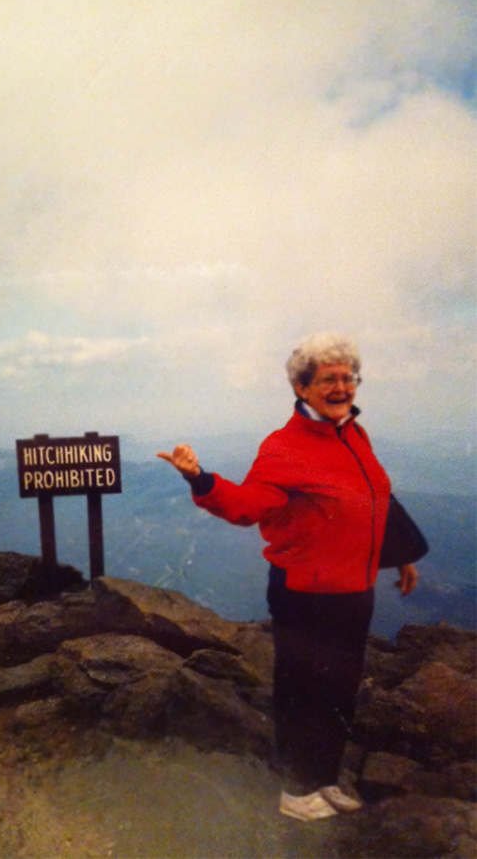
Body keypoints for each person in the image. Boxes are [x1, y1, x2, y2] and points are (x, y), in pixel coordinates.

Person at [158, 332, 427, 822]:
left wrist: (401, 555)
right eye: (329, 378)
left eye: (348, 377)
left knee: (340, 692)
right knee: (303, 692)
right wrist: (200, 479)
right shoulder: (285, 447)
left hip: (353, 591)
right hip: (306, 595)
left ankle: (324, 778)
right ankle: (296, 789)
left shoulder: (352, 435)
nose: (342, 386)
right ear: (302, 388)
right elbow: (248, 505)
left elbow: (375, 499)